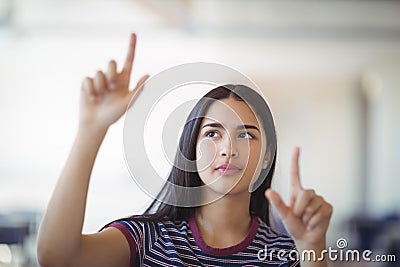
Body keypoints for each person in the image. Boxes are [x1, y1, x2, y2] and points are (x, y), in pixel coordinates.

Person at [37, 33, 333, 267]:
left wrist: (312, 250)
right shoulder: (146, 241)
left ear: (267, 158)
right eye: (212, 133)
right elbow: (57, 258)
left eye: (246, 135)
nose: (228, 148)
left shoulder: (287, 253)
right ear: (191, 149)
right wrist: (91, 130)